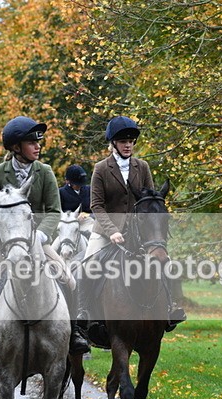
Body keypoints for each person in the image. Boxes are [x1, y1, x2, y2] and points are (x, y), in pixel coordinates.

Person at [0, 116, 89, 357]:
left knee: (68, 279)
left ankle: (75, 332)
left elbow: (53, 210)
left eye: (39, 141)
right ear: (16, 147)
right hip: (3, 241)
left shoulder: (45, 172)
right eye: (31, 142)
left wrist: (41, 235)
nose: (38, 146)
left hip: (37, 241)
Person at [79, 116, 186, 330]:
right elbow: (97, 206)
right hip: (105, 232)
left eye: (131, 141)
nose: (128, 145)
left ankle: (173, 306)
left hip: (138, 232)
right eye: (123, 141)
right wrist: (112, 232)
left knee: (167, 262)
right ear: (113, 144)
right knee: (88, 267)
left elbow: (148, 198)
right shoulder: (101, 169)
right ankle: (83, 312)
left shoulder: (142, 167)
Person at [59, 164, 94, 236]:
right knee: (55, 246)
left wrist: (86, 215)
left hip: (87, 223)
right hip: (68, 225)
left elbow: (96, 210)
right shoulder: (61, 192)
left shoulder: (89, 190)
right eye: (77, 184)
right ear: (68, 181)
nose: (79, 186)